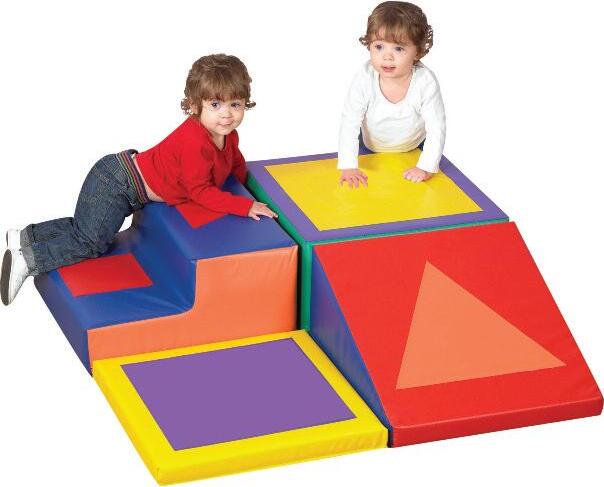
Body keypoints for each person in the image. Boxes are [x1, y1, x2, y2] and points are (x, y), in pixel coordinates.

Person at [1, 53, 277, 306]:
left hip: (120, 175)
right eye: (215, 104)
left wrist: (245, 189)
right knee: (91, 243)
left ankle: (24, 237)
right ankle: (28, 260)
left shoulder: (227, 135)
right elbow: (200, 192)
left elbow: (235, 162)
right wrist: (244, 206)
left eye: (235, 104)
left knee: (83, 227)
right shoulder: (195, 142)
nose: (227, 114)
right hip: (118, 185)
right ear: (195, 106)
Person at [338, 1, 446, 188]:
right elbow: (350, 121)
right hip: (370, 147)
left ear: (417, 52)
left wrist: (425, 167)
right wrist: (349, 166)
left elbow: (436, 127)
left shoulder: (425, 81)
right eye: (379, 47)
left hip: (413, 147)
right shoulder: (364, 78)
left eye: (398, 48)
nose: (387, 56)